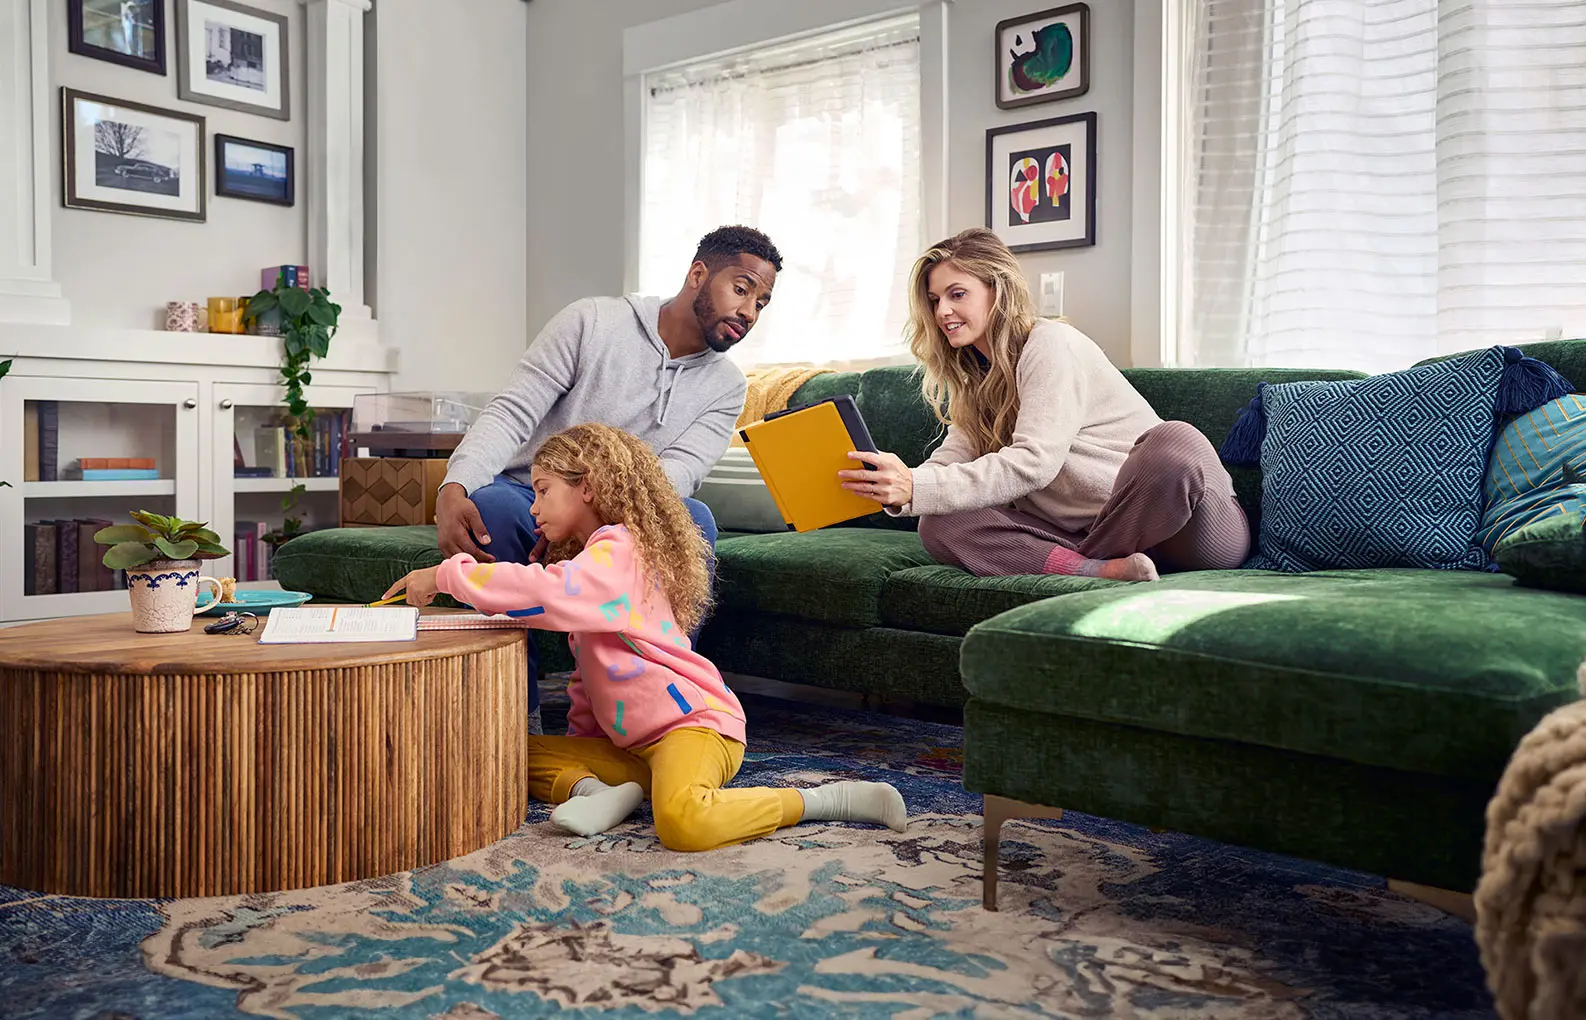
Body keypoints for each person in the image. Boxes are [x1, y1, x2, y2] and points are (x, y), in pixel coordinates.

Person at [384, 424, 908, 851]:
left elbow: (551, 591)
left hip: (694, 727)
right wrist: (583, 748)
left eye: (543, 491)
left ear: (587, 486)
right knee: (501, 750)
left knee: (683, 824)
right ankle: (600, 792)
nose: (532, 508)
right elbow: (594, 678)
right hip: (634, 748)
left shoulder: (620, 548)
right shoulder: (593, 561)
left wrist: (448, 575)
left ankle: (830, 800)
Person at [436, 225, 782, 728]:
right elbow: (513, 412)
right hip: (528, 489)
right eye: (742, 288)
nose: (749, 311)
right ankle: (516, 715)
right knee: (494, 509)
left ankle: (657, 706)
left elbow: (679, 472)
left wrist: (596, 517)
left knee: (694, 521)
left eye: (762, 302)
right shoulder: (592, 322)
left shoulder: (726, 386)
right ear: (698, 274)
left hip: (624, 509)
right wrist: (455, 484)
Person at [837, 227, 1250, 579]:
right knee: (939, 519)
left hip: (1189, 531)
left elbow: (1035, 463)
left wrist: (917, 487)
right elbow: (948, 465)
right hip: (1090, 538)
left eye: (957, 293)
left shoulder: (1049, 343)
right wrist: (901, 486)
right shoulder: (976, 379)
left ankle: (1081, 562)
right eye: (934, 299)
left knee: (1176, 441)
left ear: (997, 291)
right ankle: (1097, 570)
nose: (943, 310)